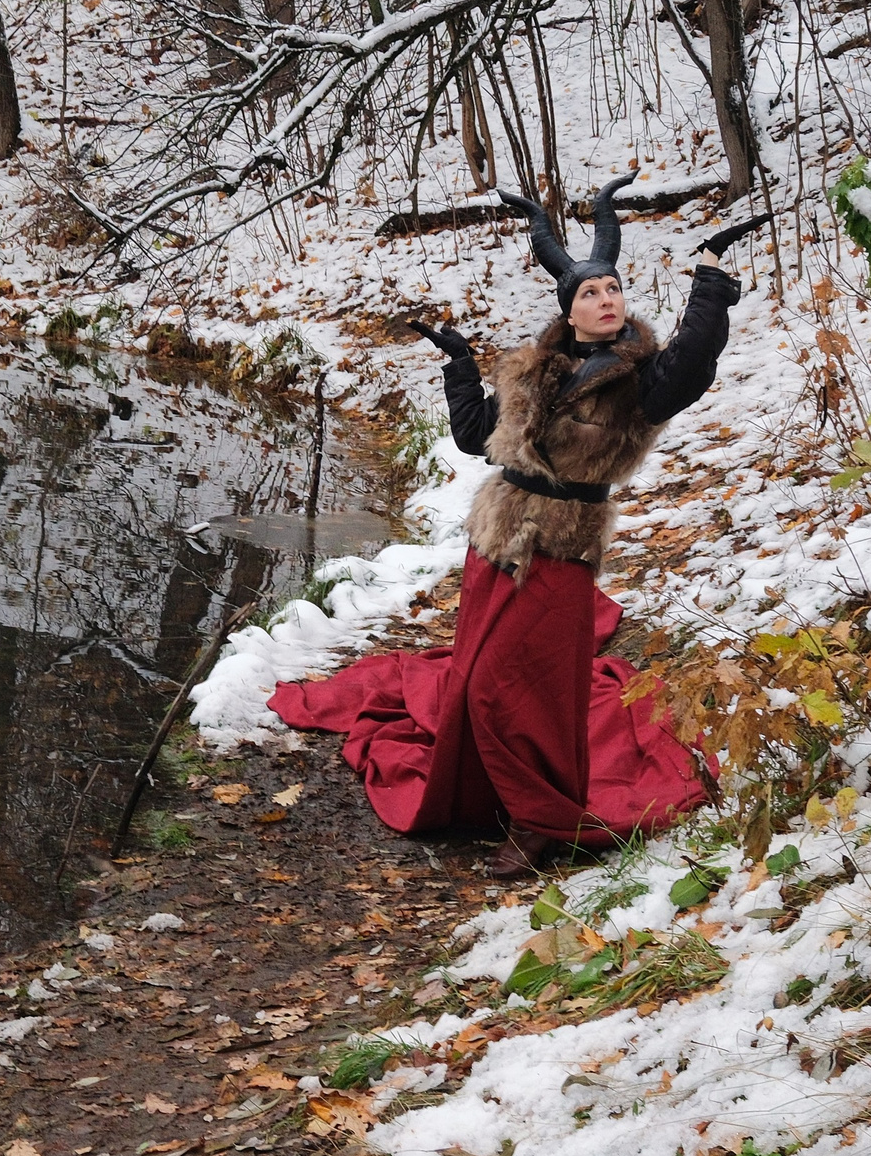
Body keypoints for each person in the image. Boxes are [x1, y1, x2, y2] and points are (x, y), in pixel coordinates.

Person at [269, 176, 755, 875]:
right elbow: (476, 438)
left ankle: (541, 821)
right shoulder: (536, 369)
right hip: (495, 539)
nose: (607, 299)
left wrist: (708, 275)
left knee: (513, 687)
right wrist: (460, 365)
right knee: (473, 678)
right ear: (569, 309)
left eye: (614, 288)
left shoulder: (640, 380)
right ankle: (488, 791)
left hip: (561, 544)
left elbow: (695, 360)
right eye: (590, 292)